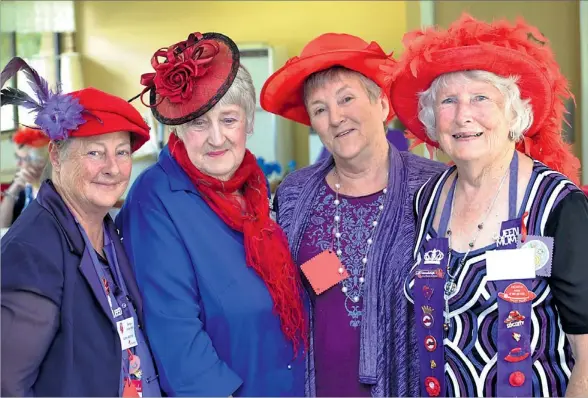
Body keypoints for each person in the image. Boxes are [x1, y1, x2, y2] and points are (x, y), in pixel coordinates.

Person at [392, 14, 588, 397]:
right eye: (448, 101)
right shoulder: (427, 199)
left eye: (481, 97)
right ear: (433, 119)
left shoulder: (558, 205)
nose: (464, 115)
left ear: (513, 113)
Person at [116, 31, 307, 397]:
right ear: (177, 129)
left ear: (249, 122)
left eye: (229, 119)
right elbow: (176, 341)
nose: (216, 138)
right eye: (199, 123)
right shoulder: (155, 198)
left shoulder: (253, 186)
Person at [261, 33, 447, 396]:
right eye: (319, 109)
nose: (336, 117)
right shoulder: (294, 193)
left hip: (411, 385)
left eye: (346, 98)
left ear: (380, 104)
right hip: (317, 385)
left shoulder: (434, 186)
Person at [0, 57, 161, 397]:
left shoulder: (106, 228)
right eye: (94, 153)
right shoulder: (32, 250)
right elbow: (8, 383)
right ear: (56, 156)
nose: (113, 168)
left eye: (122, 152)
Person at [0, 126, 49, 228]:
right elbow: (2, 225)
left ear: (40, 161)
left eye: (24, 159)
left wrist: (37, 187)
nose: (19, 164)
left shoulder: (58, 186)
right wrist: (13, 189)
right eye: (17, 157)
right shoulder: (23, 183)